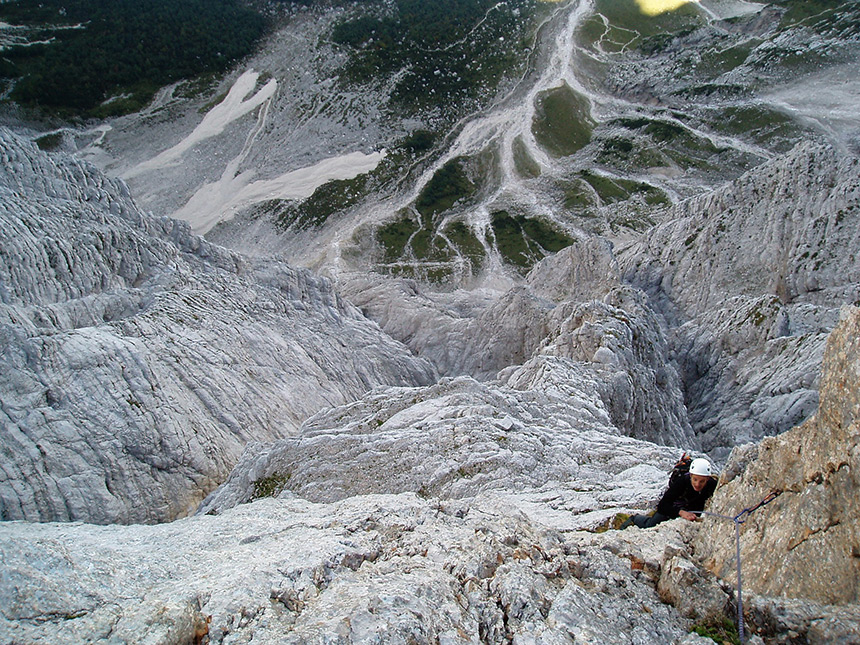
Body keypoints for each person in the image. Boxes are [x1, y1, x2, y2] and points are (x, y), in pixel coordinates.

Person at [621, 458, 717, 529]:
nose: (697, 484)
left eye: (702, 481)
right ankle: (635, 519)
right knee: (650, 525)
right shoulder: (681, 482)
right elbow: (662, 506)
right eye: (695, 479)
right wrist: (680, 512)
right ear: (691, 475)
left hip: (692, 507)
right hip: (674, 507)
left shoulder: (712, 484)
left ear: (707, 479)